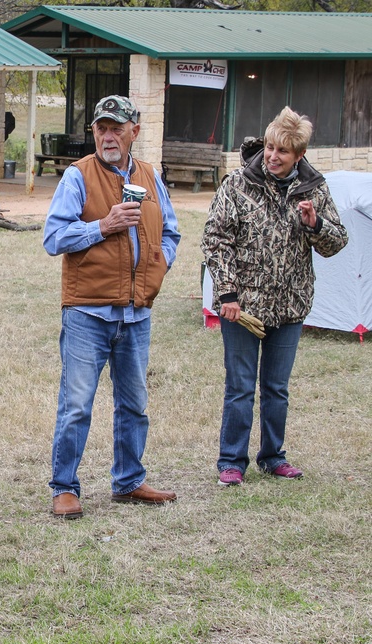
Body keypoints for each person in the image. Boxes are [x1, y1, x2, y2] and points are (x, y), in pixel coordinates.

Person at [43, 95, 181, 520]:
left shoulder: (150, 176)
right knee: (77, 404)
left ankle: (129, 480)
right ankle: (65, 488)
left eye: (116, 128)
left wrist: (158, 266)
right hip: (88, 311)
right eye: (101, 128)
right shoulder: (77, 176)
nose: (107, 136)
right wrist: (103, 226)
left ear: (133, 133)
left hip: (137, 313)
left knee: (134, 402)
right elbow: (53, 238)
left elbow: (171, 233)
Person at [202, 107, 348, 487]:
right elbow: (216, 240)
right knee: (239, 387)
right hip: (243, 308)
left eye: (282, 151)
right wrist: (227, 293)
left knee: (276, 389)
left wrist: (315, 224)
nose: (272, 156)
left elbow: (337, 242)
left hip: (290, 306)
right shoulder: (238, 183)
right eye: (269, 147)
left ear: (298, 155)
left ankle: (273, 457)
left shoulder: (313, 189)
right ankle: (231, 461)